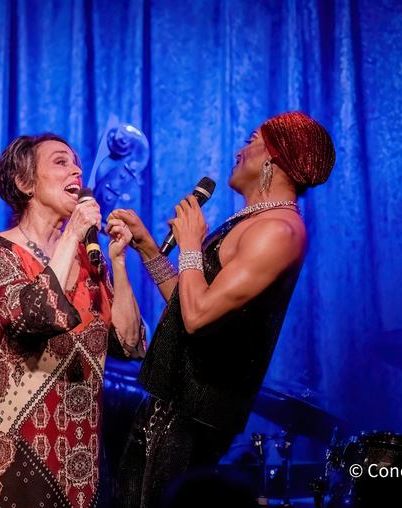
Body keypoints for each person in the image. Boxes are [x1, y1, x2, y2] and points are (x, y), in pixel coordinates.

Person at [108, 111, 336, 507]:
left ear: (274, 157)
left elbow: (196, 319)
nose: (239, 150)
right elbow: (191, 301)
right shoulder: (253, 221)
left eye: (251, 140)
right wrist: (147, 247)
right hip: (170, 402)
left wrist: (192, 244)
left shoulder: (279, 231)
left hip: (195, 416)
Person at [0, 133, 146, 508]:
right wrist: (73, 232)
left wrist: (119, 262)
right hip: (10, 445)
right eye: (60, 161)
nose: (76, 168)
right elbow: (33, 318)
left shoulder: (89, 259)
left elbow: (130, 344)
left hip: (80, 448)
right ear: (24, 182)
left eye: (76, 162)